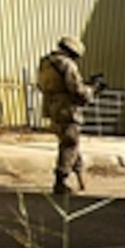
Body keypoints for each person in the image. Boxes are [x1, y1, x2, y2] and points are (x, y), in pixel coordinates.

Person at [38, 36, 104, 195]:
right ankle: (61, 181)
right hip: (67, 109)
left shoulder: (46, 62)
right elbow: (77, 90)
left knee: (70, 142)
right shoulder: (67, 65)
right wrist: (93, 89)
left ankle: (81, 177)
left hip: (52, 106)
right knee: (69, 144)